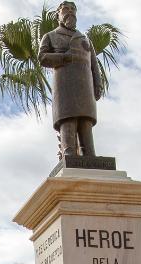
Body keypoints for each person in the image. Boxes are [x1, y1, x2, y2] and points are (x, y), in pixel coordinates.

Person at [38, 1, 103, 159]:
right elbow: (42, 57)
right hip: (65, 84)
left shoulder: (85, 39)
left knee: (85, 119)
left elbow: (94, 64)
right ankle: (69, 152)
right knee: (69, 116)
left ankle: (89, 154)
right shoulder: (51, 36)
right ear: (58, 15)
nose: (70, 12)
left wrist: (98, 83)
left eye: (73, 9)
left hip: (84, 85)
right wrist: (64, 57)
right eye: (66, 9)